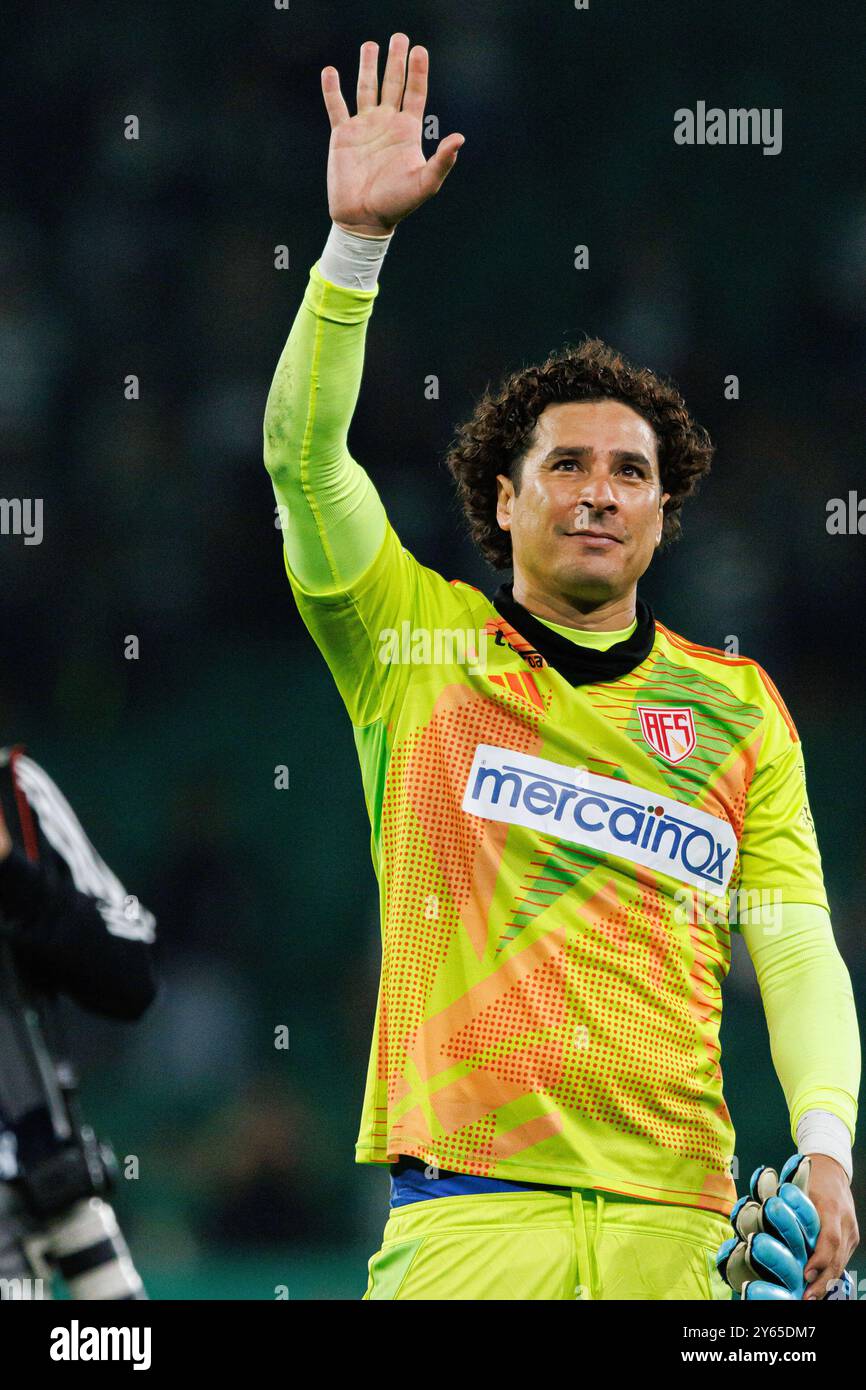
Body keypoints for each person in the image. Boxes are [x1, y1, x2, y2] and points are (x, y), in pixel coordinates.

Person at [262, 33, 859, 1300]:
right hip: (466, 1229)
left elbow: (794, 943)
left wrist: (824, 1150)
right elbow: (304, 463)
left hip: (681, 1231)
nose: (600, 493)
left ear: (662, 512)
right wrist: (352, 251)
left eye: (630, 471)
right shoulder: (409, 646)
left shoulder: (736, 708)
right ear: (503, 495)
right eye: (568, 466)